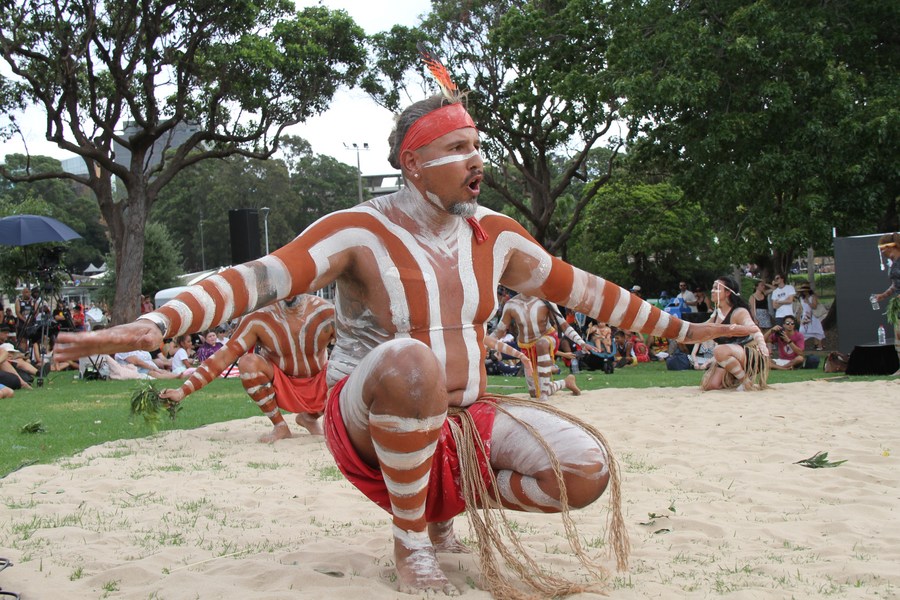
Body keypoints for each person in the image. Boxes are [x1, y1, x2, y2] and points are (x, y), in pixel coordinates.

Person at [55, 58, 758, 596]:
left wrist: (690, 331)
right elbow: (257, 278)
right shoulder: (358, 229)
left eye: (477, 146)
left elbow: (593, 294)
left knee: (583, 471)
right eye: (456, 148)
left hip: (464, 419)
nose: (476, 160)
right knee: (412, 361)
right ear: (412, 163)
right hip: (370, 408)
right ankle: (410, 538)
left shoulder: (498, 236)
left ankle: (446, 501)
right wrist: (156, 325)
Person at [159, 295, 335, 442]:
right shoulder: (259, 318)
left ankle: (310, 417)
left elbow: (354, 351)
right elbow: (222, 357)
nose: (291, 289)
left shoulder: (327, 312)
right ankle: (280, 425)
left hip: (320, 380)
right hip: (280, 380)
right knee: (248, 363)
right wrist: (182, 391)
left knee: (348, 368)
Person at [489, 293, 588, 398]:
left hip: (548, 338)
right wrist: (483, 344)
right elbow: (499, 331)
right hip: (526, 347)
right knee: (534, 393)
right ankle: (566, 382)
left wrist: (581, 342)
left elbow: (563, 325)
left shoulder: (546, 300)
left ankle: (544, 396)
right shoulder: (511, 305)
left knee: (541, 344)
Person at [698, 275, 769, 391]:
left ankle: (745, 381)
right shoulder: (716, 314)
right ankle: (735, 378)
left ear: (727, 293)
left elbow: (753, 328)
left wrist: (762, 343)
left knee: (719, 350)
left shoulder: (739, 312)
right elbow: (700, 329)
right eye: (712, 288)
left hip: (750, 355)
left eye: (716, 288)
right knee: (710, 385)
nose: (712, 291)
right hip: (729, 354)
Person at [872, 232, 900, 374]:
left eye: (883, 249)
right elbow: (895, 285)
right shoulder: (893, 264)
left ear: (892, 246)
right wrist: (883, 296)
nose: (882, 252)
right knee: (898, 335)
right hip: (898, 302)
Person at [796, 283, 825, 351]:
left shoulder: (813, 297)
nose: (804, 292)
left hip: (813, 316)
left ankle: (819, 345)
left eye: (805, 291)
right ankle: (801, 346)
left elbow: (814, 307)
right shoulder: (801, 298)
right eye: (803, 291)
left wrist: (808, 302)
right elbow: (801, 308)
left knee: (817, 330)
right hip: (805, 316)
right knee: (802, 331)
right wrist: (798, 316)